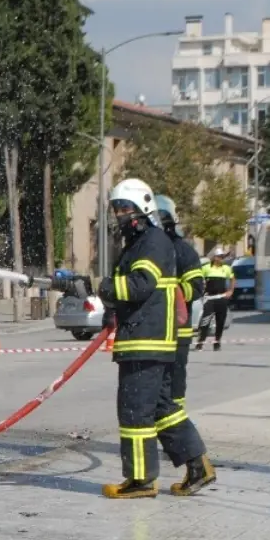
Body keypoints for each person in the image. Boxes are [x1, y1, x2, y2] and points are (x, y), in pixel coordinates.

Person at [97, 178, 213, 499]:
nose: (120, 214)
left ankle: (140, 480)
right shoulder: (142, 243)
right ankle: (198, 466)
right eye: (116, 208)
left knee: (135, 410)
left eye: (125, 208)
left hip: (145, 341)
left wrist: (100, 286)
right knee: (163, 408)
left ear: (143, 209)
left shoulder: (151, 242)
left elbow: (139, 285)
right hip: (150, 340)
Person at [154, 196, 204, 411]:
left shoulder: (183, 251)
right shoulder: (146, 250)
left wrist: (169, 295)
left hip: (177, 331)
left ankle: (176, 429)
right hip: (151, 332)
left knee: (174, 385)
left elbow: (196, 286)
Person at [197, 247, 234, 351]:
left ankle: (217, 343)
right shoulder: (206, 268)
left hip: (221, 298)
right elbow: (199, 279)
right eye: (219, 257)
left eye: (222, 257)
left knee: (220, 322)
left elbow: (232, 279)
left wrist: (230, 291)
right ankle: (200, 342)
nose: (220, 259)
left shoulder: (226, 268)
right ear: (214, 257)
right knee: (205, 321)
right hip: (210, 298)